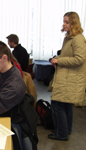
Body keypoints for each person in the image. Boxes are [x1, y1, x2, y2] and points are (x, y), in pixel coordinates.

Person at [48, 12, 86, 141]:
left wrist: (59, 61)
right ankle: (66, 130)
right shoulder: (69, 37)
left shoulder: (78, 39)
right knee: (65, 105)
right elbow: (66, 56)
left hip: (70, 79)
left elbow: (80, 59)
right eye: (63, 21)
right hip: (66, 77)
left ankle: (61, 134)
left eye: (66, 22)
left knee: (57, 105)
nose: (63, 24)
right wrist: (56, 59)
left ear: (73, 23)